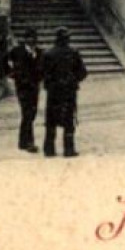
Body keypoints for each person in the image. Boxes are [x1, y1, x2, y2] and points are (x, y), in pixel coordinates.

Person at [41, 27, 88, 157]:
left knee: (51, 120)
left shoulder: (48, 54)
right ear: (67, 39)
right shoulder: (73, 53)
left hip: (53, 91)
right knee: (68, 119)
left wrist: (50, 83)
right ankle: (69, 149)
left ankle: (49, 149)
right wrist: (73, 80)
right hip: (69, 91)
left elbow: (42, 73)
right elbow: (83, 72)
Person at [7, 27, 43, 152]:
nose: (32, 41)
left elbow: (43, 68)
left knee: (31, 114)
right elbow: (6, 62)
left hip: (34, 87)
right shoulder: (17, 51)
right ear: (25, 40)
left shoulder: (39, 52)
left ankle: (22, 142)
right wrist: (12, 74)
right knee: (27, 113)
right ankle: (29, 142)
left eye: (34, 38)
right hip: (22, 87)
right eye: (29, 38)